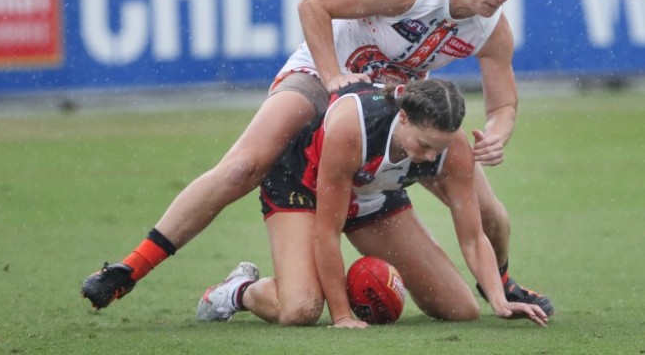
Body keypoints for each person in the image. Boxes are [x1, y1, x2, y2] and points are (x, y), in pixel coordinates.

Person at [81, 0, 552, 316]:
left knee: (488, 212)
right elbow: (314, 5)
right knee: (247, 163)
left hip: (392, 113)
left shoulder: (491, 29)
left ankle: (504, 285)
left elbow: (504, 102)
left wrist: (497, 132)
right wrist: (333, 80)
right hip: (323, 75)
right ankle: (131, 266)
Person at [195, 80, 548, 328]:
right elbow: (327, 232)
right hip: (303, 189)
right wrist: (342, 315)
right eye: (424, 145)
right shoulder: (354, 127)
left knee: (461, 309)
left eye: (437, 149)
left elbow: (472, 237)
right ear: (405, 117)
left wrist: (499, 299)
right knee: (301, 309)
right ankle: (236, 292)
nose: (428, 158)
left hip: (371, 192)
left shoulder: (453, 150)